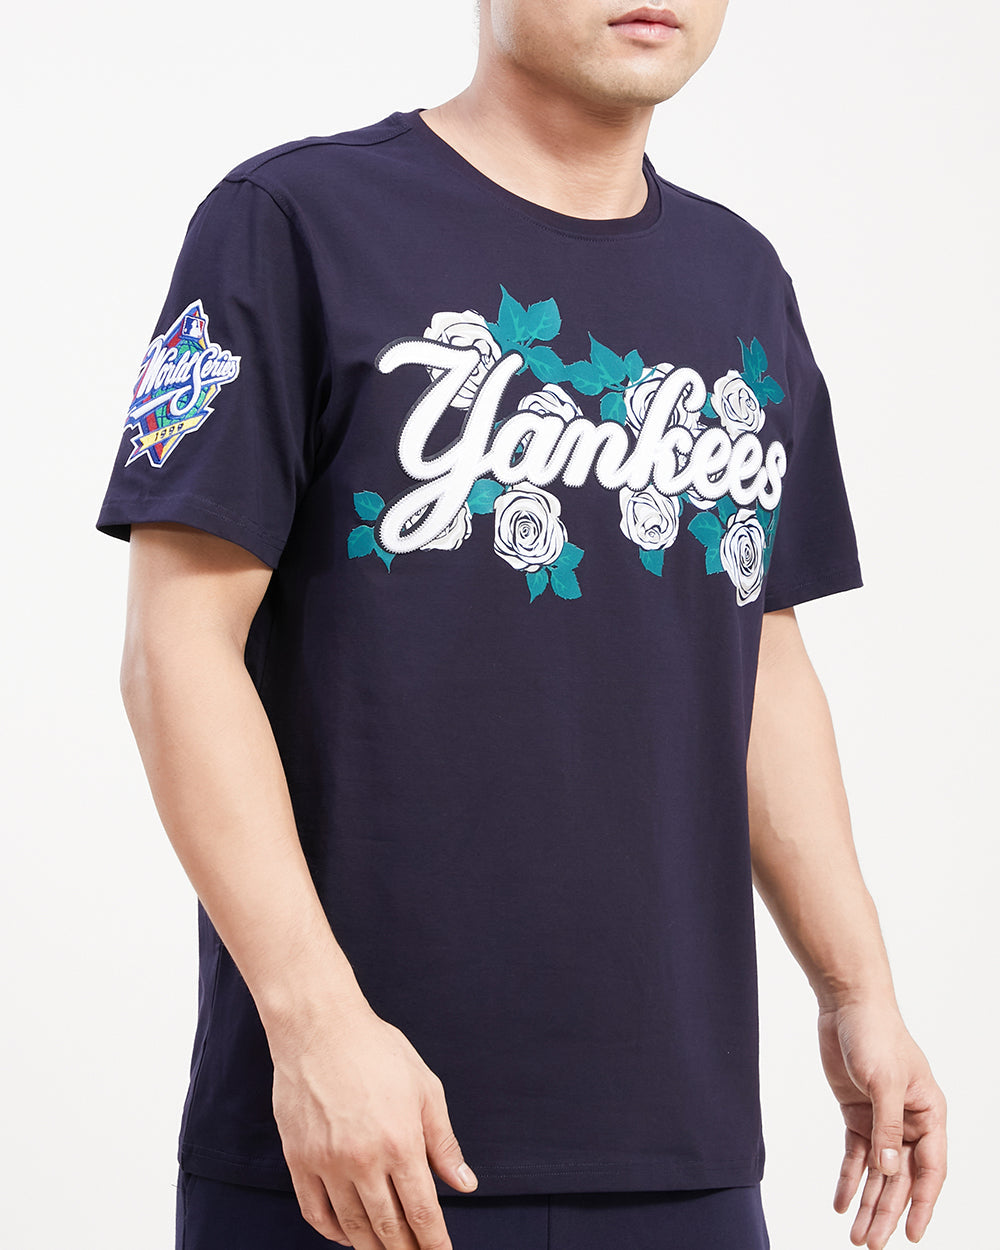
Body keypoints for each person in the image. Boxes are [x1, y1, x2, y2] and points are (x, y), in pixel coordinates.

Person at [95, 2, 947, 1248]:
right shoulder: (291, 221)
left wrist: (855, 987)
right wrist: (316, 1026)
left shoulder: (741, 279)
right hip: (359, 1143)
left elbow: (758, 654)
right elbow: (175, 650)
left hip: (681, 1149)